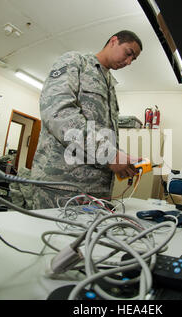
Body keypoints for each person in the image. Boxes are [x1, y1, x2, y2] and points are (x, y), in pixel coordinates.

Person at [29, 30, 143, 209]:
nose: (128, 62)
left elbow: (101, 132)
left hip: (96, 192)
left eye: (133, 60)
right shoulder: (75, 61)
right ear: (114, 41)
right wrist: (110, 155)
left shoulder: (109, 85)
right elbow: (58, 114)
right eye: (128, 53)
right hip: (61, 188)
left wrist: (122, 157)